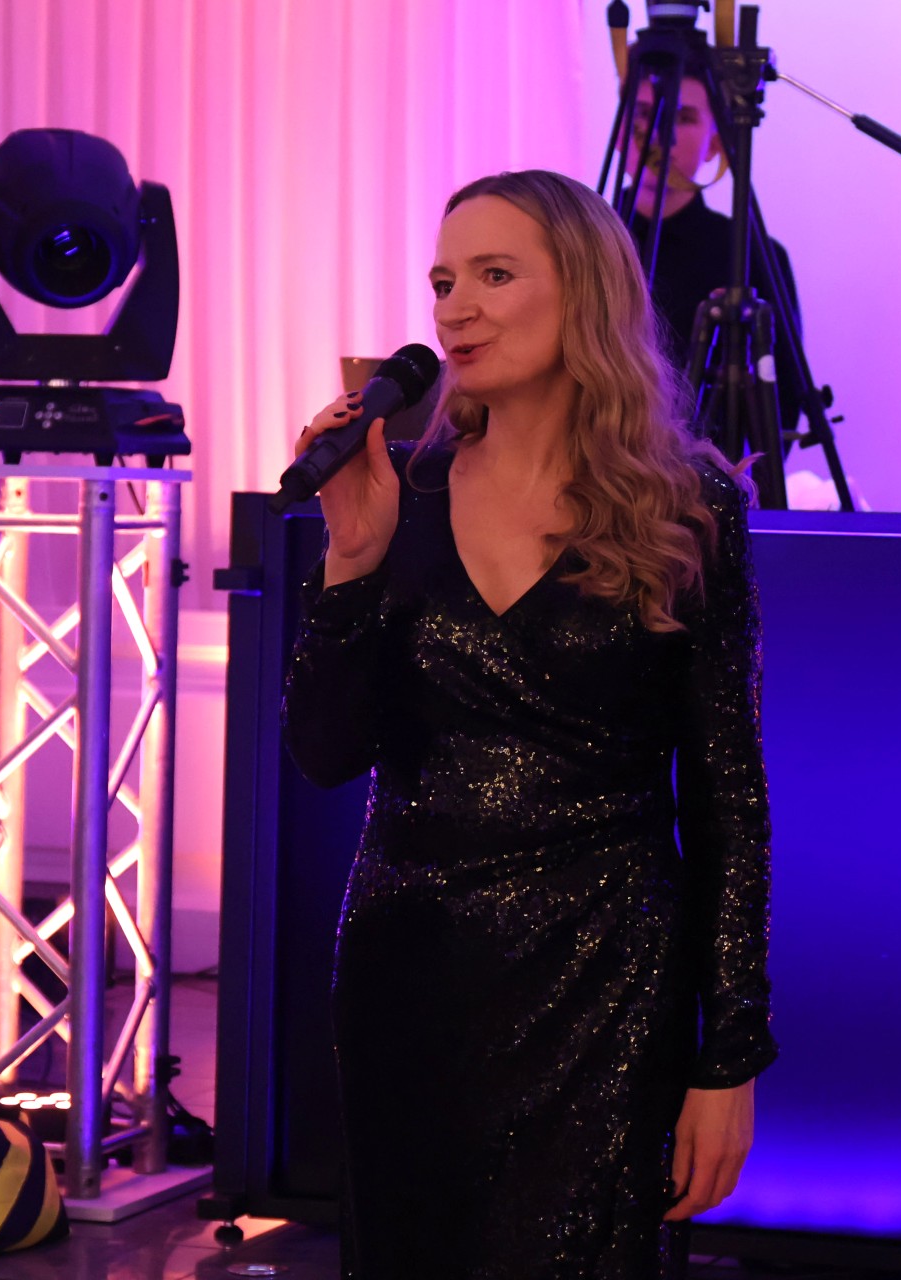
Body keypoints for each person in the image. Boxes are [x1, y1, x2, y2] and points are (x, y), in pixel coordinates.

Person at [282, 169, 776, 1277]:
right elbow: (323, 754)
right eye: (443, 282)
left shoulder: (686, 506)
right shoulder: (404, 493)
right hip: (409, 979)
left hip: (608, 981)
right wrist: (352, 560)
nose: (455, 309)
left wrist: (730, 1052)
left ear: (585, 291)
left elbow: (729, 798)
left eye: (495, 275)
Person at [623, 62, 809, 448]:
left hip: (706, 477)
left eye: (682, 117)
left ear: (715, 143)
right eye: (643, 113)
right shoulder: (570, 242)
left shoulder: (752, 255)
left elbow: (781, 407)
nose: (658, 133)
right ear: (620, 132)